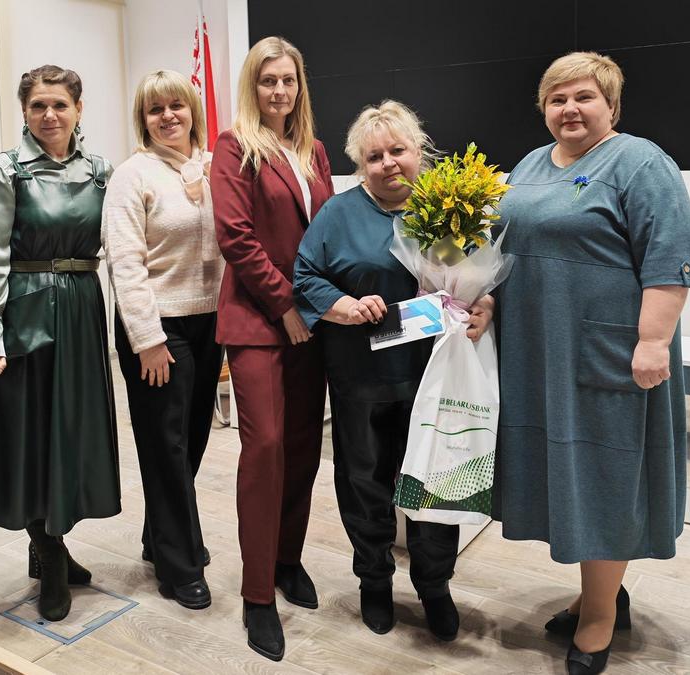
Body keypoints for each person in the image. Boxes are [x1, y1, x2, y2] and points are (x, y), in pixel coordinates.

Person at [493, 52, 690, 674]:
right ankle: (601, 593)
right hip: (537, 351)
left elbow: (671, 258)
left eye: (584, 97)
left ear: (611, 105)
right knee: (568, 473)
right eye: (557, 98)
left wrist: (653, 342)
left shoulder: (640, 162)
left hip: (607, 352)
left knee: (606, 475)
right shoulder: (530, 165)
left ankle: (599, 617)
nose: (570, 109)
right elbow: (502, 247)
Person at [293, 100, 494, 642]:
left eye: (397, 150)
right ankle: (374, 580)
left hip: (435, 375)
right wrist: (342, 304)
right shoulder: (339, 214)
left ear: (418, 151)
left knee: (437, 478)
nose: (388, 163)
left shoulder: (449, 209)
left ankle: (434, 585)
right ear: (361, 164)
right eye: (374, 156)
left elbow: (478, 281)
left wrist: (485, 303)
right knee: (365, 481)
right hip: (362, 375)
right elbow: (305, 275)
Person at [0, 65, 121, 622]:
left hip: (82, 310)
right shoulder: (5, 170)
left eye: (60, 105)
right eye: (38, 106)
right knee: (29, 435)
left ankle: (52, 540)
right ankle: (49, 554)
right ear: (24, 112)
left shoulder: (101, 171)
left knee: (69, 433)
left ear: (78, 109)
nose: (49, 115)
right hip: (26, 312)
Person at [209, 36, 333, 661]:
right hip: (260, 318)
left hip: (313, 321)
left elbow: (327, 232)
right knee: (265, 447)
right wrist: (285, 306)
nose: (279, 91)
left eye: (287, 80)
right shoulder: (235, 145)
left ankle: (287, 559)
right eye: (267, 80)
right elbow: (235, 235)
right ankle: (257, 593)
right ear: (252, 87)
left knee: (305, 445)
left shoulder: (313, 149)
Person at [102, 70, 224, 611]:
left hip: (210, 320)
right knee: (165, 445)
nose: (169, 116)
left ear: (193, 109)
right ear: (144, 119)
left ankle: (161, 536)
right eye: (156, 110)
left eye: (177, 105)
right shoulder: (132, 176)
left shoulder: (214, 168)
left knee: (191, 439)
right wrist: (147, 338)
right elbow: (124, 263)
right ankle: (180, 565)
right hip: (157, 326)